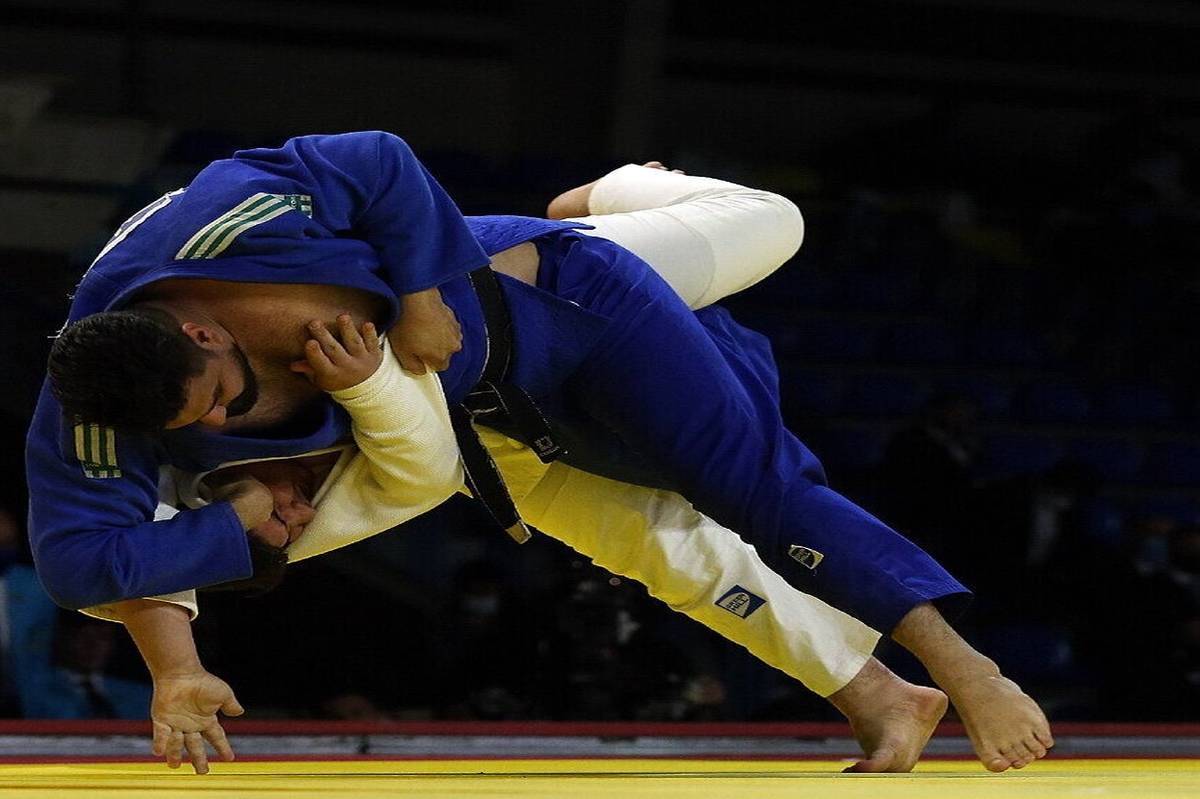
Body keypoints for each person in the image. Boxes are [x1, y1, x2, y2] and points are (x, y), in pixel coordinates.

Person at [27, 132, 1050, 773]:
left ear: (204, 328)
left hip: (566, 297)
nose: (222, 424)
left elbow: (379, 157)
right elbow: (80, 560)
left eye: (225, 398)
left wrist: (417, 297)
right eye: (197, 425)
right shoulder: (98, 390)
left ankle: (962, 667)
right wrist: (194, 626)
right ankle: (880, 696)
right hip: (477, 421)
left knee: (766, 294)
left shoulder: (234, 220)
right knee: (662, 551)